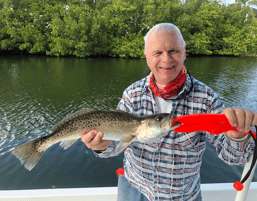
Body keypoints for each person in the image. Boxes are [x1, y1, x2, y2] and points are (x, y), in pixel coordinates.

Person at [81, 23, 257, 201]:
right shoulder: (131, 94)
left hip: (182, 197)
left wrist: (236, 136)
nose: (166, 59)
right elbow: (115, 145)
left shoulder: (207, 99)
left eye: (173, 51)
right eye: (157, 53)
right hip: (133, 189)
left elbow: (235, 158)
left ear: (184, 52)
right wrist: (100, 146)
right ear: (146, 56)